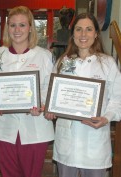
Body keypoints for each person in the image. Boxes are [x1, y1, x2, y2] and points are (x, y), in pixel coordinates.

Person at [45, 13, 121, 177]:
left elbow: (118, 98)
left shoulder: (107, 63)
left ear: (96, 34)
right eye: (78, 29)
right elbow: (52, 95)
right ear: (73, 34)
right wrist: (50, 108)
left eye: (88, 29)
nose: (83, 34)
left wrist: (107, 117)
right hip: (67, 141)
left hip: (95, 142)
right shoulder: (62, 63)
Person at [0, 6, 54, 177]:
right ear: (7, 28)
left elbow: (49, 86)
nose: (17, 30)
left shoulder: (44, 55)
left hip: (35, 125)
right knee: (8, 173)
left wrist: (43, 104)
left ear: (31, 27)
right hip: (3, 125)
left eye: (22, 25)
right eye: (13, 25)